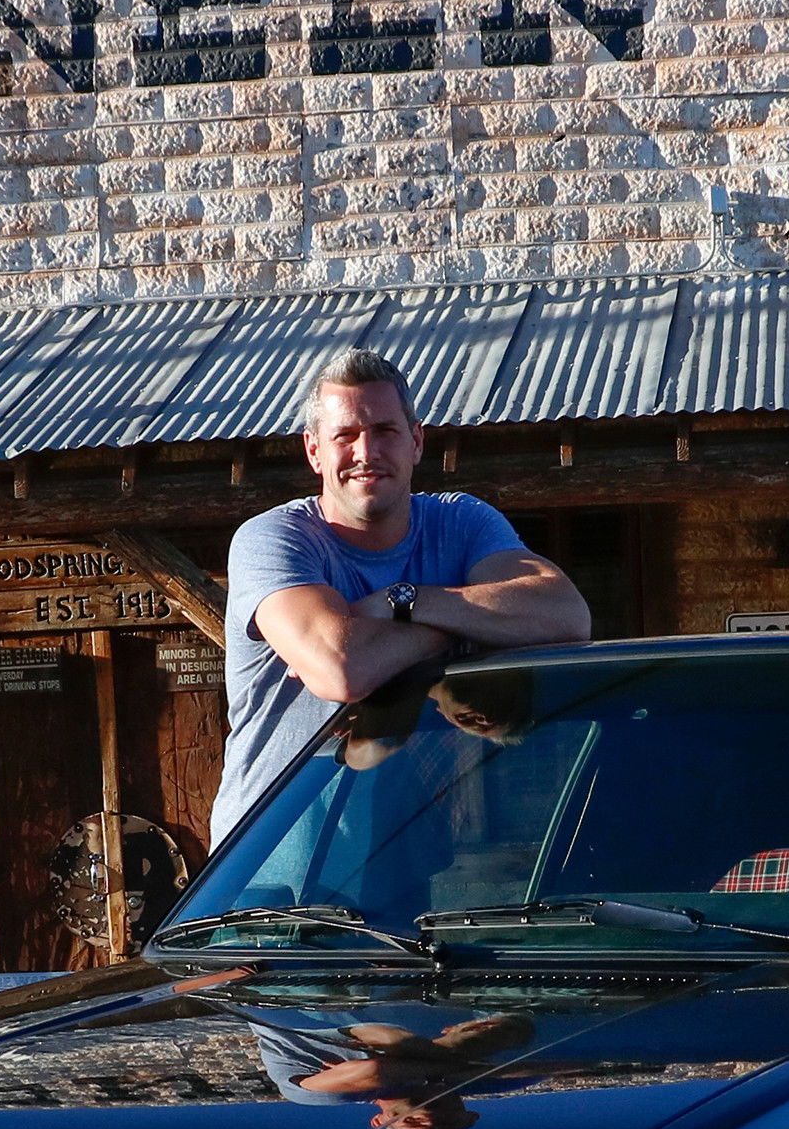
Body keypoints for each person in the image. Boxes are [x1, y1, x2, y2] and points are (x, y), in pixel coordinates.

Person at [213, 349, 589, 837]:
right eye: (344, 436)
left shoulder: (462, 521)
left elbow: (565, 615)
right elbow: (340, 669)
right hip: (272, 859)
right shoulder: (274, 540)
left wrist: (404, 601)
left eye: (385, 432)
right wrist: (457, 631)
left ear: (415, 442)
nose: (366, 453)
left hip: (399, 856)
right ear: (314, 451)